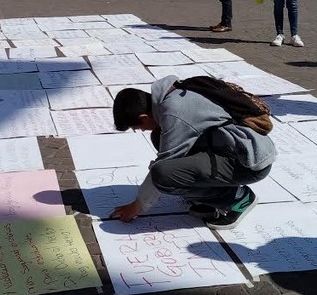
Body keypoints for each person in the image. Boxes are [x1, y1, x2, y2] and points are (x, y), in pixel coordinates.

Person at [109, 77, 277, 230]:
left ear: (144, 117)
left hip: (247, 163)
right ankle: (209, 192)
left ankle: (238, 199)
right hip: (234, 147)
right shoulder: (172, 92)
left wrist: (137, 206)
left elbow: (163, 166)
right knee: (159, 137)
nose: (141, 130)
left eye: (137, 128)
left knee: (163, 175)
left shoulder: (173, 111)